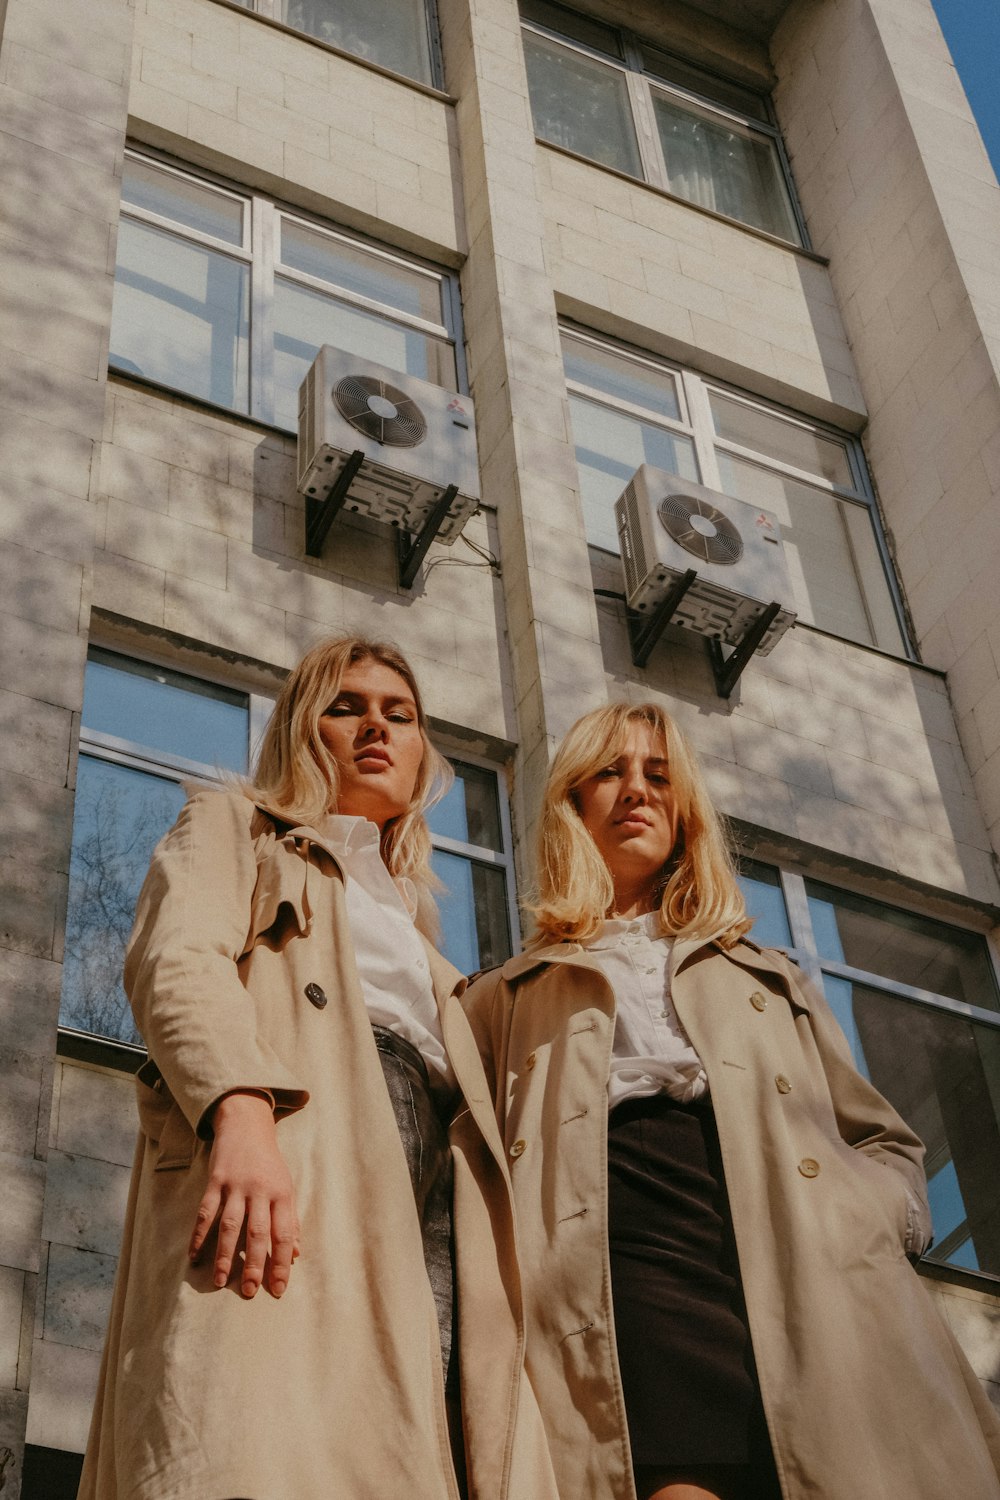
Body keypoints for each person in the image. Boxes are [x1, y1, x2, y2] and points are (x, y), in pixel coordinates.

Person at [460, 700, 1000, 1500]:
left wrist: (865, 1218)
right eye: (609, 772)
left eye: (658, 775)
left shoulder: (770, 974)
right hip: (627, 1256)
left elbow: (885, 1143)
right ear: (572, 803)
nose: (636, 791)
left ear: (685, 812)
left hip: (793, 1260)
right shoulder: (503, 995)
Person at [78, 635, 556, 1500]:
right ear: (304, 729)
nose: (375, 725)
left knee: (413, 1447)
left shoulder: (429, 948)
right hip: (298, 1150)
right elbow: (176, 962)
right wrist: (241, 1111)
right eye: (347, 706)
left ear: (420, 757)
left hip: (429, 1197)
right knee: (264, 1444)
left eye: (399, 714)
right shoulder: (236, 827)